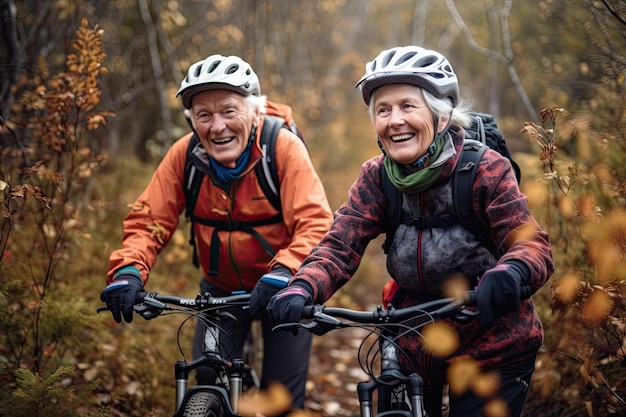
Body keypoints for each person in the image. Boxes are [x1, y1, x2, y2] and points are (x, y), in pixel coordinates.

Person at [267, 46, 554, 417]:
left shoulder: (484, 169)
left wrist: (511, 272)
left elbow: (530, 244)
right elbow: (340, 243)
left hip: (492, 340)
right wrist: (303, 286)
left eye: (407, 106)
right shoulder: (376, 176)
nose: (394, 120)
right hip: (411, 338)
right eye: (383, 110)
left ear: (440, 114)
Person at [100, 54, 334, 410]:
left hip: (287, 289)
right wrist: (129, 270)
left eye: (229, 110)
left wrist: (286, 273)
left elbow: (316, 222)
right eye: (204, 115)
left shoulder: (283, 147)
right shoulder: (185, 155)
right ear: (192, 121)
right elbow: (149, 220)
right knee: (207, 377)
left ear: (255, 112)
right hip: (221, 291)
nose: (217, 126)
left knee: (282, 401)